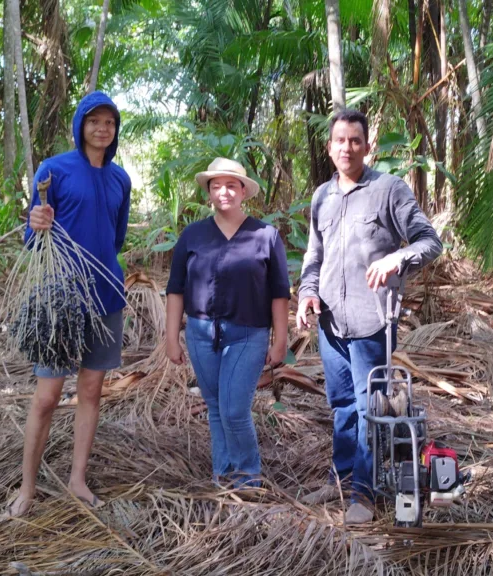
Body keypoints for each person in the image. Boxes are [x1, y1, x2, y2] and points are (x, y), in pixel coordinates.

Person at [296, 108, 442, 524]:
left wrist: (398, 258)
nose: (347, 147)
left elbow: (429, 242)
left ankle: (363, 492)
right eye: (339, 140)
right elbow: (314, 255)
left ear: (366, 146)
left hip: (372, 321)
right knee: (340, 403)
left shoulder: (388, 189)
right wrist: (307, 293)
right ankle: (339, 479)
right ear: (329, 147)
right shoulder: (321, 196)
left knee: (369, 408)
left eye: (355, 140)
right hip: (330, 322)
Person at [7, 91, 131, 518]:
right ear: (80, 125)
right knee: (47, 395)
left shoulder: (120, 180)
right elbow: (32, 236)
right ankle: (27, 488)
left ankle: (77, 480)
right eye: (94, 120)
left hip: (106, 294)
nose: (102, 128)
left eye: (109, 122)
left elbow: (116, 239)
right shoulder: (53, 170)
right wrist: (36, 224)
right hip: (59, 299)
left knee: (91, 390)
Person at [165, 158, 291, 489]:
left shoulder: (265, 235)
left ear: (243, 192)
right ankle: (223, 475)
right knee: (217, 408)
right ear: (208, 192)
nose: (224, 191)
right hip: (201, 333)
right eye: (217, 185)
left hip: (248, 333)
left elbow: (279, 293)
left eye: (231, 185)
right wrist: (171, 337)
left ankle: (248, 478)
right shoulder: (192, 235)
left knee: (235, 410)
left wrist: (280, 340)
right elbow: (175, 289)